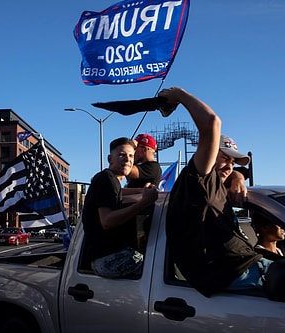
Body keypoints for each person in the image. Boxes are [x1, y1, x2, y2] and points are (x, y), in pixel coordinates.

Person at [162, 87, 271, 297]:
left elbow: (232, 172)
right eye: (224, 158)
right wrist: (179, 95)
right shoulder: (198, 179)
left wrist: (237, 176)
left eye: (233, 161)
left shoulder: (216, 184)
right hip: (234, 273)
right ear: (209, 154)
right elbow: (212, 123)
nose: (229, 165)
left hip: (248, 265)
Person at [81, 137, 159, 278]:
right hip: (108, 259)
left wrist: (142, 192)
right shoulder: (107, 179)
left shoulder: (110, 181)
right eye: (122, 155)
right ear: (110, 159)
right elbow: (107, 221)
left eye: (131, 156)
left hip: (105, 258)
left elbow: (118, 193)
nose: (127, 160)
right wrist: (143, 203)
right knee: (158, 268)